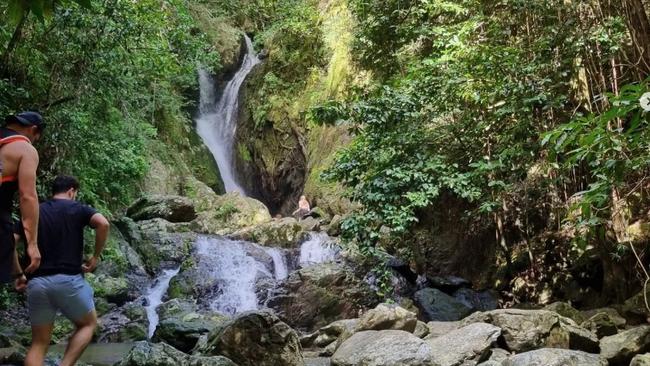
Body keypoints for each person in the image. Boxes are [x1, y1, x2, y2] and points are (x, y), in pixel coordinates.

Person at [13, 175, 110, 366]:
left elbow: (10, 241)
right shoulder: (79, 208)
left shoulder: (36, 211)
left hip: (37, 283)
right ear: (71, 191)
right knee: (88, 325)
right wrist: (95, 257)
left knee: (39, 342)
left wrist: (18, 273)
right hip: (69, 281)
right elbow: (103, 223)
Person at [0, 111, 44, 289]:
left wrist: (18, 272)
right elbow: (28, 196)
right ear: (33, 130)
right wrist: (32, 245)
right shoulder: (24, 149)